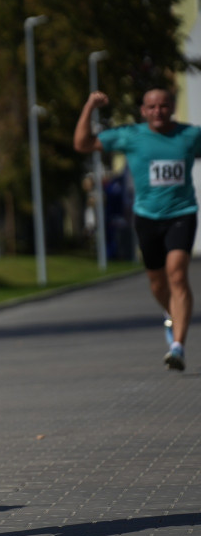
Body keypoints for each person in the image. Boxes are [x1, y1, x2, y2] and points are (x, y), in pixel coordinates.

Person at [75, 88, 200, 371]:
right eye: (152, 107)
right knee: (157, 282)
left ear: (172, 108)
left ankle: (178, 346)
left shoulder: (190, 136)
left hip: (182, 213)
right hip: (146, 217)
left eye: (164, 106)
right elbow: (82, 143)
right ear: (143, 111)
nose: (158, 112)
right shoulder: (130, 135)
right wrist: (90, 106)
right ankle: (171, 313)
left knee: (178, 274)